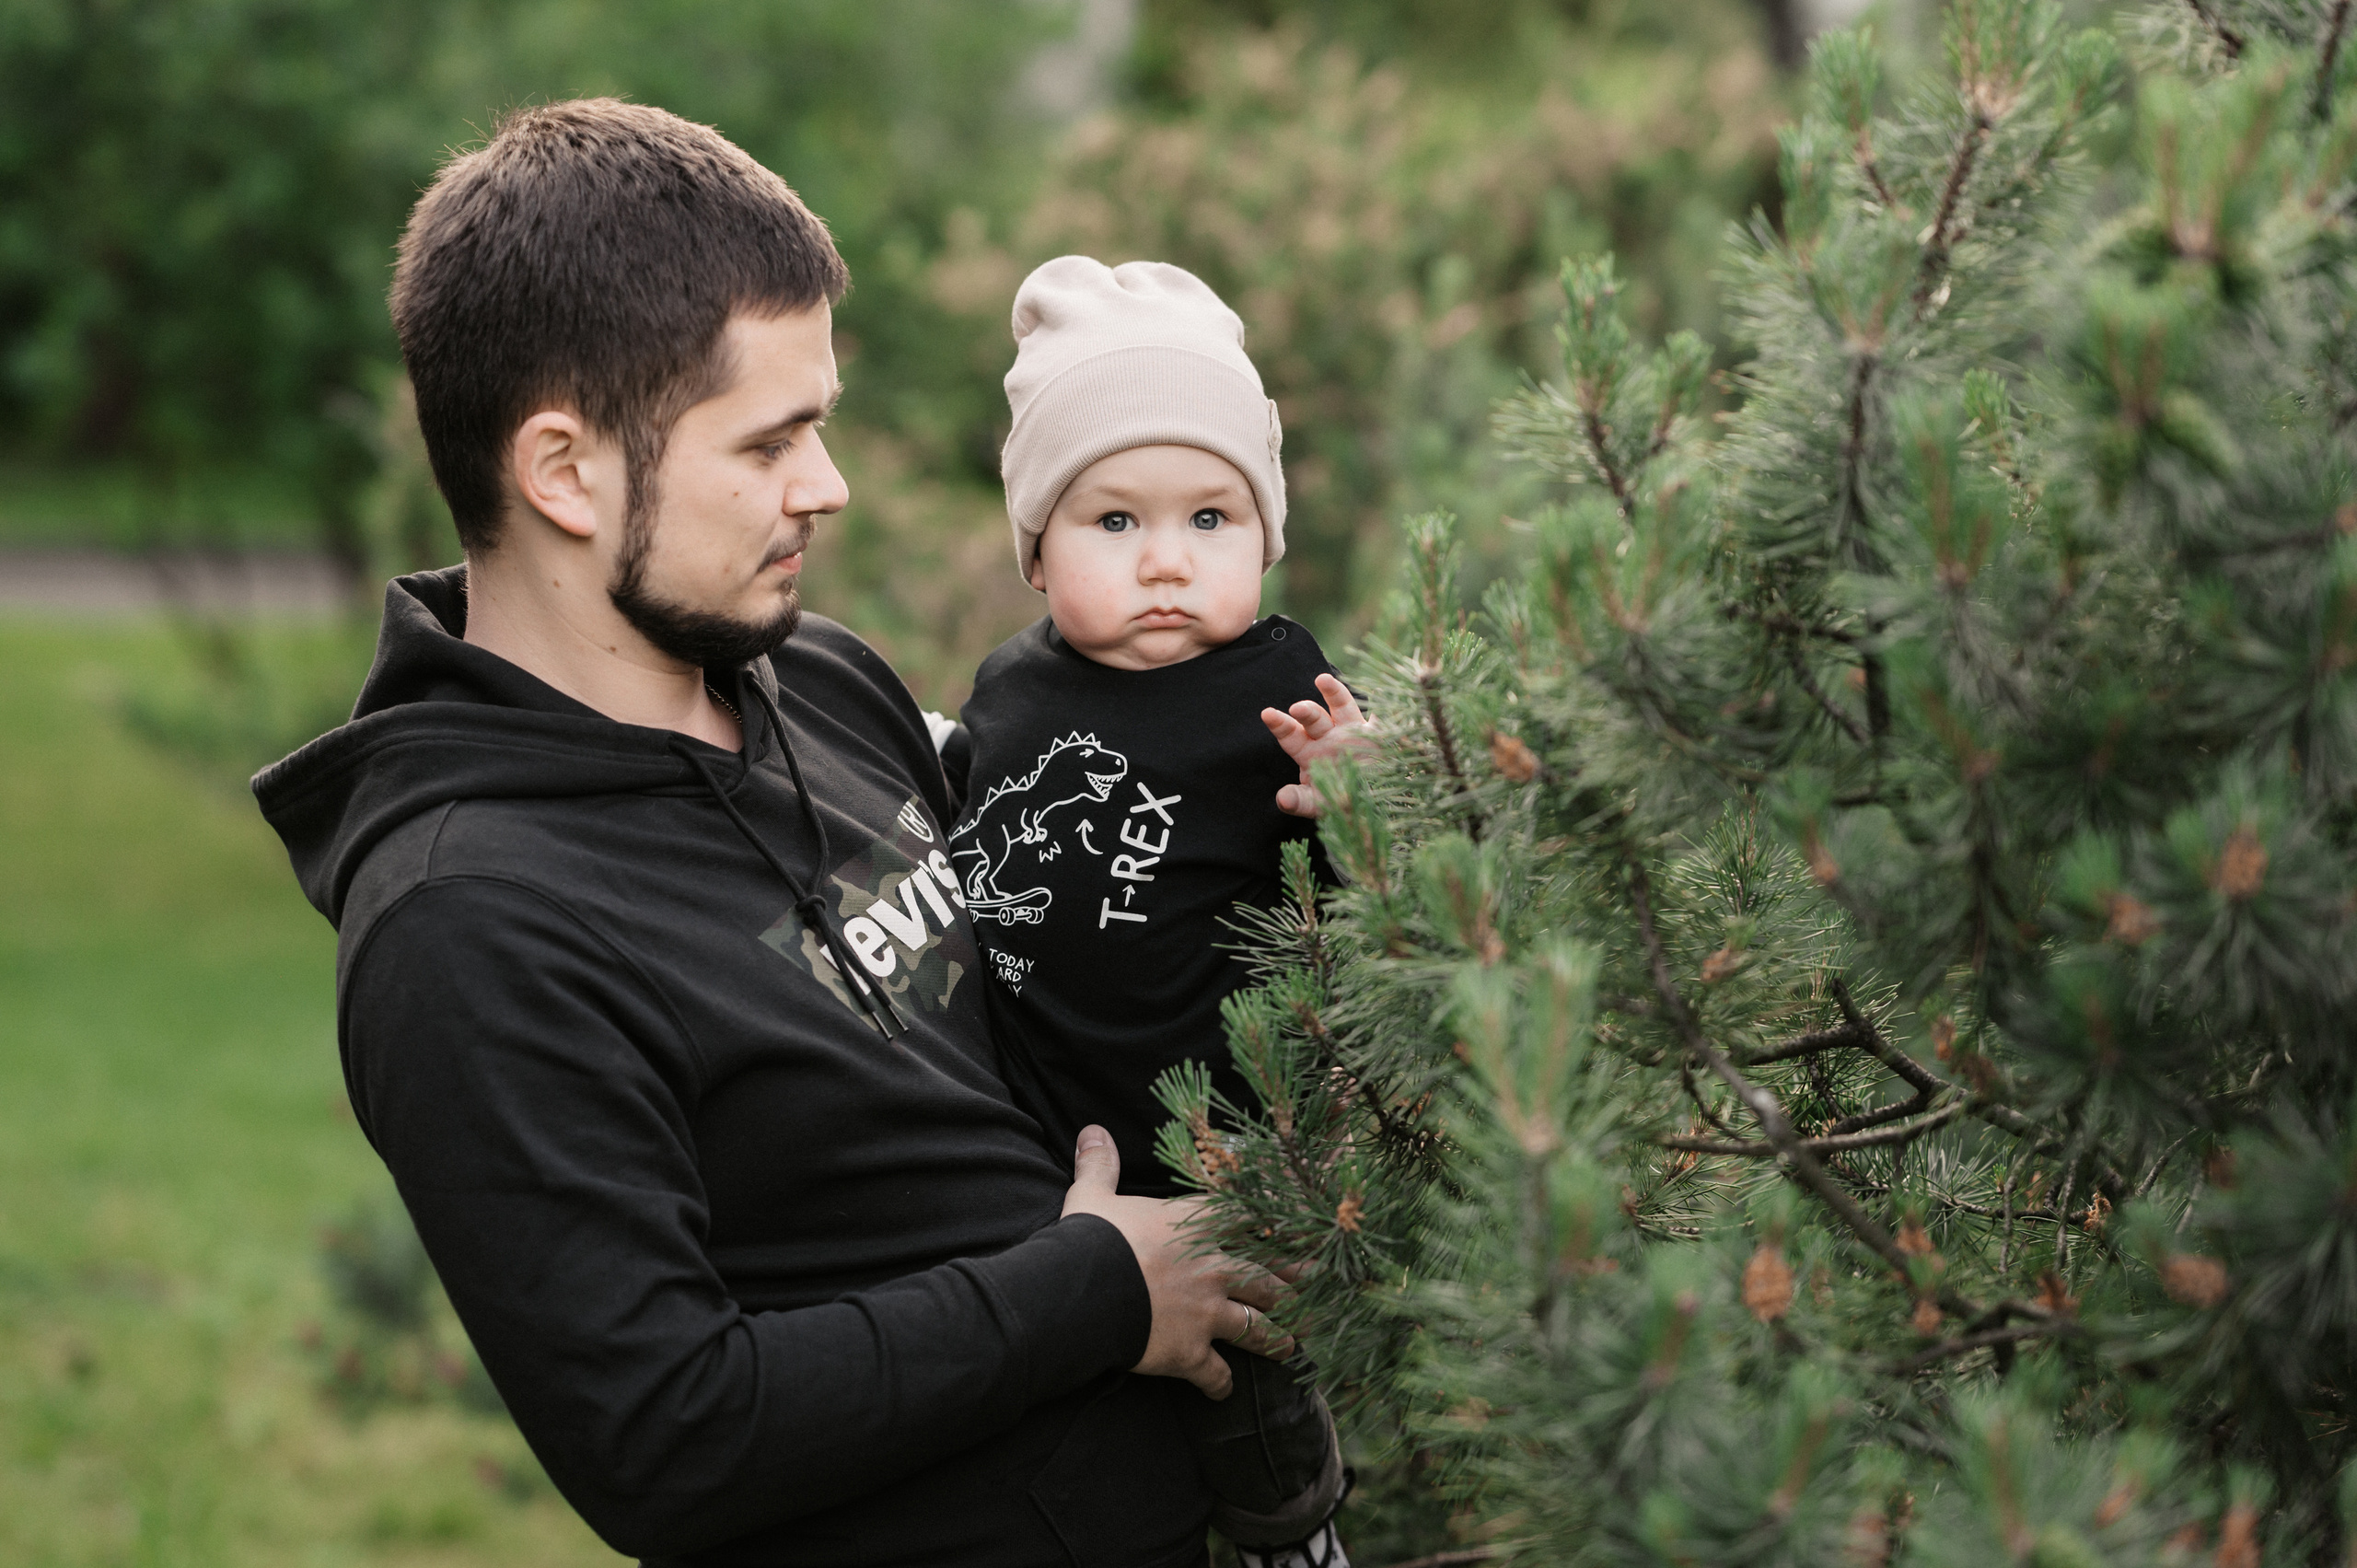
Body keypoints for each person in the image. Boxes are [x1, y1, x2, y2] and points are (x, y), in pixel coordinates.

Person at [254, 100, 1296, 1568]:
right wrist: (1099, 1295)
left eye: (821, 425)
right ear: (564, 473)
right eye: (771, 442)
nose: (829, 485)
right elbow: (668, 1435)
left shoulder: (820, 682)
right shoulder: (470, 922)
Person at [941, 258, 1370, 1568]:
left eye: (1210, 520)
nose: (1167, 564)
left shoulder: (1279, 687)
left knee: (1255, 1422)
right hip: (1045, 1167)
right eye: (1114, 524)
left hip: (1225, 1159)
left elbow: (1350, 919)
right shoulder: (1008, 693)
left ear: (1264, 535)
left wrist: (1365, 808)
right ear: (1037, 548)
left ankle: (1297, 1539)